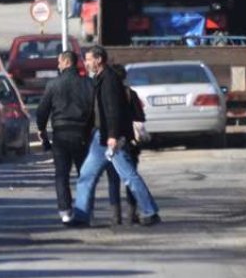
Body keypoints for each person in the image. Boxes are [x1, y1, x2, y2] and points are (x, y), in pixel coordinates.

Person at [71, 45, 160, 227]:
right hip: (100, 137)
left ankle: (150, 211)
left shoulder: (109, 80)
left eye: (88, 60)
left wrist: (113, 135)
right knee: (86, 176)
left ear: (98, 60)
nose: (86, 63)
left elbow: (113, 110)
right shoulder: (100, 79)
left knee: (129, 176)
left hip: (111, 138)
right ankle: (81, 215)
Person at [36, 51, 93, 225]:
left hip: (61, 134)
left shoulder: (53, 84)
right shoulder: (88, 83)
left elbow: (42, 110)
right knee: (85, 174)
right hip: (82, 133)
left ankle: (66, 211)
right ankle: (85, 210)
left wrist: (41, 129)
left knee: (62, 175)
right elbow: (93, 108)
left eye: (59, 62)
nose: (57, 65)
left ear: (67, 62)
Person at [103, 64, 148, 225]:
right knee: (131, 177)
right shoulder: (131, 94)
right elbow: (140, 117)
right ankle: (132, 213)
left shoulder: (106, 94)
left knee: (113, 179)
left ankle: (116, 215)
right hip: (130, 141)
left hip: (111, 140)